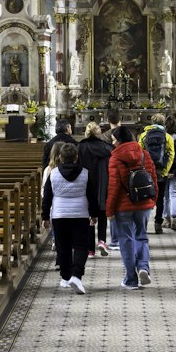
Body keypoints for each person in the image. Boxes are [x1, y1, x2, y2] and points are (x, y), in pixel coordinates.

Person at [42, 143, 99, 295]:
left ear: (60, 158)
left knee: (63, 247)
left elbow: (47, 197)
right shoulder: (85, 173)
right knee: (81, 246)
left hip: (59, 215)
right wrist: (94, 214)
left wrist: (45, 217)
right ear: (76, 157)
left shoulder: (52, 174)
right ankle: (76, 276)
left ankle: (65, 277)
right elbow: (92, 196)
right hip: (80, 214)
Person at [107, 125, 157, 290]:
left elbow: (113, 187)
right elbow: (153, 177)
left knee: (126, 241)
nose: (112, 143)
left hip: (123, 206)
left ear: (120, 140)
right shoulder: (144, 154)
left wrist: (109, 210)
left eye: (114, 139)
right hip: (143, 203)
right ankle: (143, 267)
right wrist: (153, 198)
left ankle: (131, 280)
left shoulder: (115, 158)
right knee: (141, 236)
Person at [78, 121, 113, 255]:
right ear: (99, 133)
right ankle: (102, 241)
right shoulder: (107, 147)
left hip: (85, 182)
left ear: (86, 133)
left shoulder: (80, 147)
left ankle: (89, 248)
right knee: (102, 211)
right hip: (103, 182)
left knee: (88, 213)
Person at [139, 112, 175, 234]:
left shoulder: (144, 135)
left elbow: (140, 153)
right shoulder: (168, 137)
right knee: (160, 198)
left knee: (145, 197)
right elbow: (171, 154)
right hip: (161, 172)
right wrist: (165, 169)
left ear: (152, 122)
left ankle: (143, 224)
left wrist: (142, 168)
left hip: (146, 172)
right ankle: (158, 223)